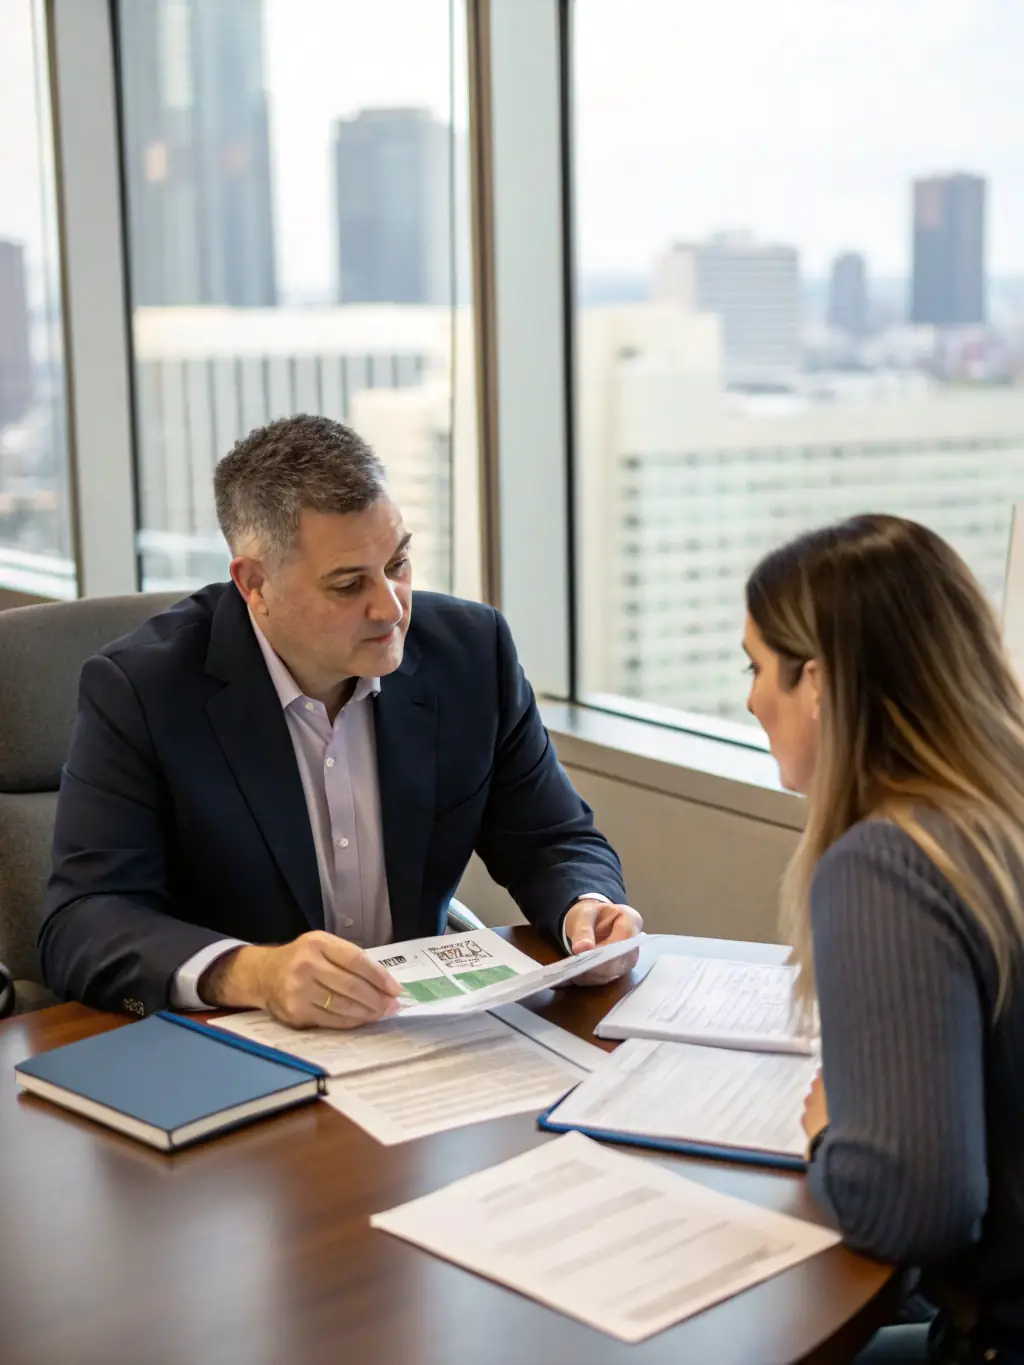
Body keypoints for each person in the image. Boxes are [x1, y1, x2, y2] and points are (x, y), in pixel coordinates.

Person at [40, 415, 641, 1026]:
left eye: (398, 564)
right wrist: (255, 972)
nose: (390, 606)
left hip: (416, 1036)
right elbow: (83, 922)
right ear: (255, 584)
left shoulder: (470, 652)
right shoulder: (141, 690)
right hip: (236, 1047)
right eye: (349, 584)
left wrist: (585, 909)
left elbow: (552, 840)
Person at [743, 514, 1024, 1363]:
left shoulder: (891, 863)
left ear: (820, 682)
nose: (751, 698)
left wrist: (835, 1133)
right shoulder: (993, 816)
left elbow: (916, 1205)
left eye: (757, 667)